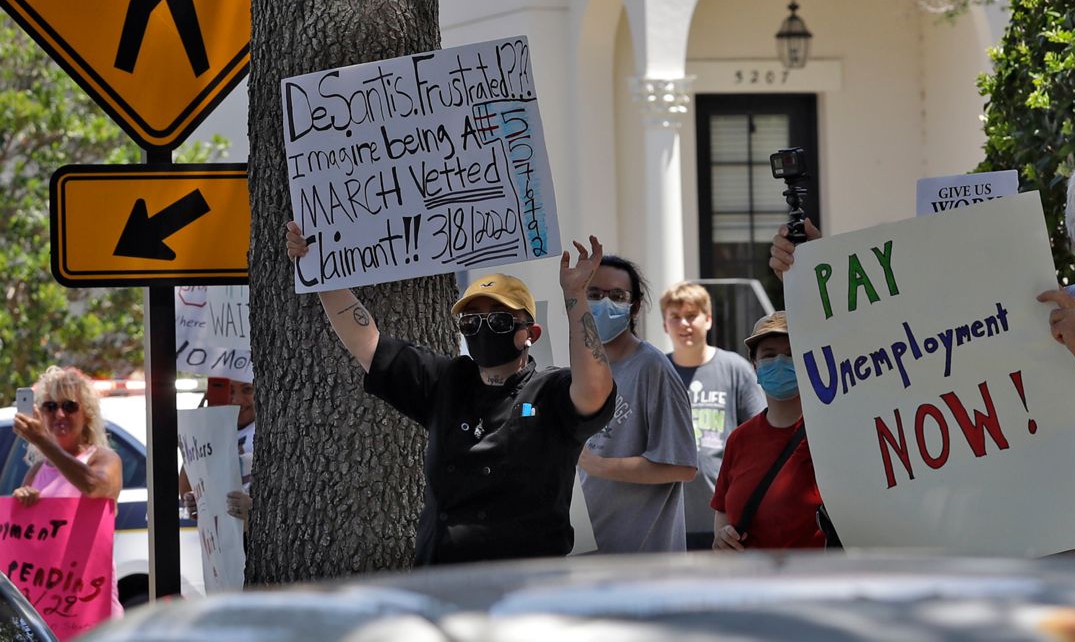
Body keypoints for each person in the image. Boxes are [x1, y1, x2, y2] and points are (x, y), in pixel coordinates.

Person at [769, 158, 1075, 567]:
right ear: (1073, 237)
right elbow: (903, 354)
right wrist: (819, 271)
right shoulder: (1023, 310)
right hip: (1029, 598)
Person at [285, 221, 615, 566]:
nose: (483, 330)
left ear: (530, 332)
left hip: (524, 591)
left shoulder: (551, 392)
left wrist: (575, 296)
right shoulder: (447, 380)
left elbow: (593, 388)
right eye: (471, 323)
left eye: (499, 321)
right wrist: (319, 270)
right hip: (440, 580)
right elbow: (367, 343)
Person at [578, 256, 698, 553]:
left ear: (634, 305)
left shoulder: (652, 368)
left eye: (617, 296)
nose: (604, 303)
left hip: (643, 567)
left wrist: (598, 465)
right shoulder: (578, 368)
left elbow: (682, 466)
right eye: (594, 295)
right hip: (587, 558)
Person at [12, 365, 125, 618]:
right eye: (50, 407)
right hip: (48, 608)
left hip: (92, 606)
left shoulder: (104, 459)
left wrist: (42, 441)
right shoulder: (37, 470)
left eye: (70, 406)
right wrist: (21, 502)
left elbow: (94, 486)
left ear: (87, 415)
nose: (59, 414)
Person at [660, 281, 766, 550]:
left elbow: (760, 437)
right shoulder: (657, 371)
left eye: (692, 315)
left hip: (725, 523)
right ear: (664, 325)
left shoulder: (736, 369)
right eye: (675, 317)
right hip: (668, 521)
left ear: (708, 320)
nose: (684, 324)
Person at [711, 312, 826, 551]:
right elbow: (723, 513)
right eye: (769, 355)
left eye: (791, 353)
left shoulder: (830, 434)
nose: (780, 361)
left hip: (814, 583)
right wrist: (722, 538)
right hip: (751, 584)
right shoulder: (739, 440)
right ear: (755, 364)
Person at [181, 377, 255, 525]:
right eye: (229, 390)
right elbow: (186, 488)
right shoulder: (214, 431)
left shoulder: (275, 434)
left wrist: (253, 511)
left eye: (247, 390)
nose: (237, 400)